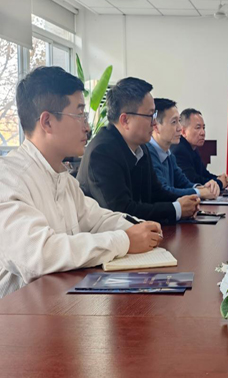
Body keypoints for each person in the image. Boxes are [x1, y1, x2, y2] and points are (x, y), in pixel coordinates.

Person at [0, 67, 161, 298]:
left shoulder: (62, 177)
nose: (87, 126)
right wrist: (124, 240)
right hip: (17, 314)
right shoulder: (8, 179)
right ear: (47, 122)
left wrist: (138, 227)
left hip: (58, 304)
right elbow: (41, 254)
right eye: (79, 115)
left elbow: (96, 219)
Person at [77, 77, 200, 224]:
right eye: (150, 115)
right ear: (125, 120)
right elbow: (122, 212)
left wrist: (187, 202)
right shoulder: (102, 152)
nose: (154, 123)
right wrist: (177, 209)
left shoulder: (141, 147)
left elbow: (156, 193)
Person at [148, 98, 219, 199]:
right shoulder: (148, 154)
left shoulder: (168, 154)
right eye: (174, 122)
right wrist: (200, 192)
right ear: (156, 127)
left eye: (179, 121)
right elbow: (163, 191)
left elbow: (183, 183)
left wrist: (203, 188)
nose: (180, 128)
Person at [171, 108, 228, 191]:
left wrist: (218, 178)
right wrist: (219, 183)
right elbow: (192, 181)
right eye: (198, 128)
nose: (203, 133)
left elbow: (203, 173)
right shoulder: (179, 150)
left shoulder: (192, 148)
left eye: (203, 128)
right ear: (183, 131)